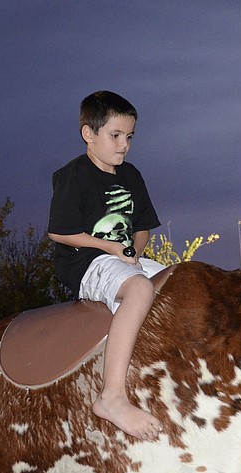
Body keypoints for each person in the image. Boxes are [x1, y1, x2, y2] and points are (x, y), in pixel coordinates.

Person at [48, 91, 165, 440]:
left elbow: (141, 228)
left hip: (121, 258)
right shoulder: (73, 176)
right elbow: (60, 233)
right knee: (140, 288)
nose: (124, 145)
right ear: (89, 134)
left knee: (180, 281)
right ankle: (111, 396)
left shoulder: (131, 175)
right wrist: (110, 248)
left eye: (129, 137)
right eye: (115, 135)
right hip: (86, 260)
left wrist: (133, 252)